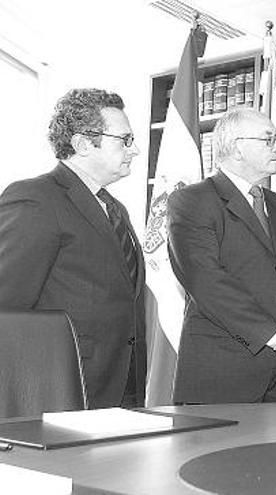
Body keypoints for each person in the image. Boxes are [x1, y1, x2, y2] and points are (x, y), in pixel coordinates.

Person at [0, 88, 146, 408]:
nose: (134, 150)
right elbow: (6, 306)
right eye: (124, 139)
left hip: (122, 385)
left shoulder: (115, 207)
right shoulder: (35, 199)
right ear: (82, 144)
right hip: (63, 389)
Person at [167, 108, 276, 404]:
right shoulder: (191, 201)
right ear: (237, 147)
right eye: (268, 140)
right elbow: (207, 283)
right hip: (223, 376)